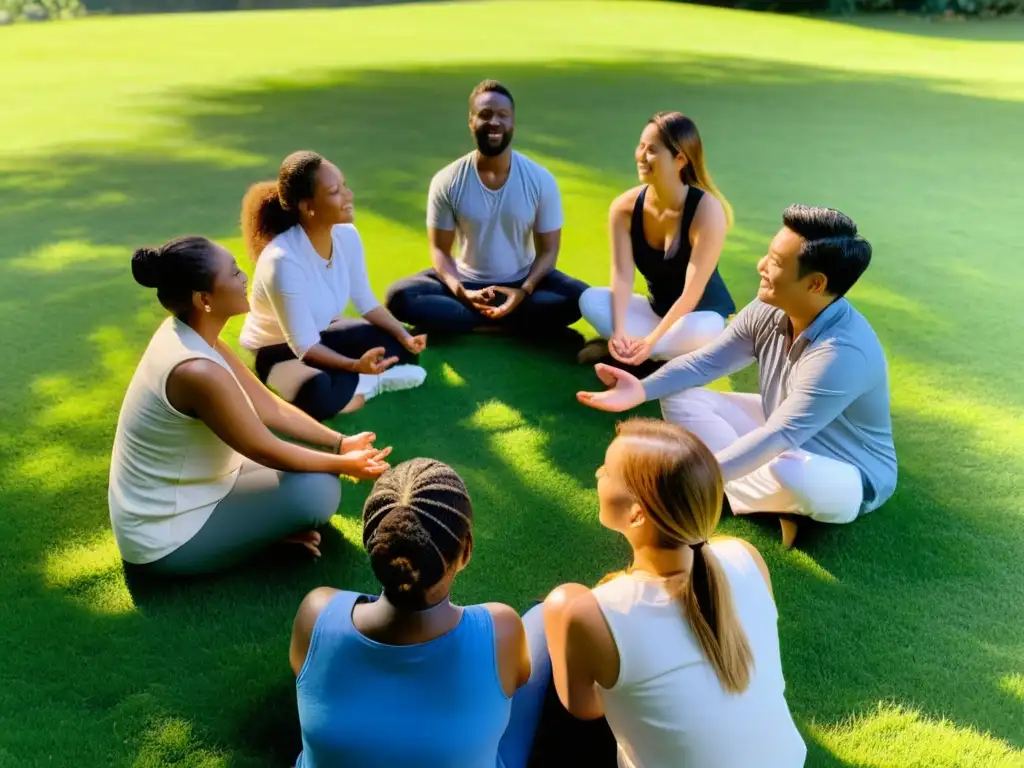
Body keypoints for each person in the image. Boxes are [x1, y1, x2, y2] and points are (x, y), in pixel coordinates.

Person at [577, 205, 897, 548]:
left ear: (816, 284)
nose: (761, 265)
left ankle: (722, 489)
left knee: (791, 474)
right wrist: (641, 389)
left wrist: (688, 481)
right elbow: (706, 363)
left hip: (845, 473)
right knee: (681, 393)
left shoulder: (843, 353)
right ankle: (759, 500)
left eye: (775, 262)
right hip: (780, 426)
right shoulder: (768, 307)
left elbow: (779, 435)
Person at [109, 235, 393, 577]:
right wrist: (345, 464)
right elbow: (263, 448)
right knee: (319, 490)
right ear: (204, 300)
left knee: (313, 471)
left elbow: (269, 408)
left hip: (200, 486)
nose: (244, 276)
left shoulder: (192, 334)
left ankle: (252, 530)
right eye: (232, 273)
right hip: (166, 537)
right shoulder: (197, 371)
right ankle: (252, 539)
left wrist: (339, 443)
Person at [534, 419, 807, 767]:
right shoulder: (745, 557)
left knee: (542, 619)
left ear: (636, 514)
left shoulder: (585, 610)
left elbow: (584, 707)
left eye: (608, 470)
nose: (598, 472)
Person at [289, 458, 550, 768]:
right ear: (465, 551)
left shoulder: (317, 614)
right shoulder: (499, 627)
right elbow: (519, 677)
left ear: (372, 543)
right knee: (544, 616)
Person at [385, 80, 589, 342]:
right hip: (465, 282)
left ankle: (466, 321)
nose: (494, 122)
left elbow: (549, 250)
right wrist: (462, 292)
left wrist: (524, 291)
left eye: (502, 115)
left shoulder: (540, 179)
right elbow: (440, 250)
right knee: (400, 296)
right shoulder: (447, 179)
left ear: (513, 122)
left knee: (581, 299)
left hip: (523, 283)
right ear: (471, 121)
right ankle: (509, 323)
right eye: (485, 114)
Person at [239, 150, 427, 422]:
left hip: (321, 332)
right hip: (278, 350)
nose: (349, 196)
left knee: (402, 352)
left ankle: (356, 379)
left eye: (345, 186)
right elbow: (303, 346)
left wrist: (404, 336)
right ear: (307, 206)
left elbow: (365, 300)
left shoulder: (346, 236)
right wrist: (356, 365)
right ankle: (370, 384)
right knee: (319, 394)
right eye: (335, 191)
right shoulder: (282, 261)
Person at [578, 111, 736, 366]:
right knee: (590, 300)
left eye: (652, 150)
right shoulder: (624, 208)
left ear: (680, 159)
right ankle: (641, 352)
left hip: (696, 318)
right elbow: (622, 276)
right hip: (656, 314)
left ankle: (634, 353)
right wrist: (618, 330)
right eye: (640, 146)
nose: (641, 156)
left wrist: (651, 341)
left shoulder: (707, 211)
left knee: (708, 330)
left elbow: (691, 294)